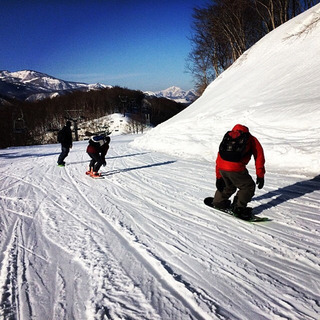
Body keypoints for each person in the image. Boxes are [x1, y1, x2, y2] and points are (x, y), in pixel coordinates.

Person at [212, 124, 265, 220]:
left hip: (222, 167)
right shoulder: (251, 139)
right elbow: (259, 157)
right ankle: (238, 208)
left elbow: (219, 157)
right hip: (236, 168)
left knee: (228, 184)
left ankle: (218, 202)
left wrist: (219, 176)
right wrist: (260, 175)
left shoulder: (228, 138)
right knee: (248, 187)